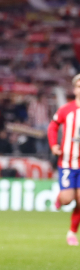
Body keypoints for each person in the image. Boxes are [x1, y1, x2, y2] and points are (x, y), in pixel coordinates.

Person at [47, 74, 80, 246]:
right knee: (68, 199)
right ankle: (61, 198)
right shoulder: (66, 109)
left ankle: (72, 233)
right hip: (67, 162)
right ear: (75, 89)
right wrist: (54, 145)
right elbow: (53, 126)